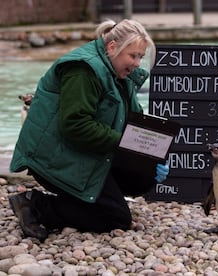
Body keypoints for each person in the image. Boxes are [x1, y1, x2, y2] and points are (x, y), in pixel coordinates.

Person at [8, 19, 170, 241]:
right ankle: (36, 205)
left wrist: (150, 154)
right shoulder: (84, 69)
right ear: (112, 47)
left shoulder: (120, 73)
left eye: (141, 56)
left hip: (82, 150)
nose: (137, 63)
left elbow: (134, 124)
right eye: (133, 55)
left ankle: (86, 198)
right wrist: (126, 145)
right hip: (52, 155)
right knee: (115, 218)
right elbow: (76, 125)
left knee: (144, 175)